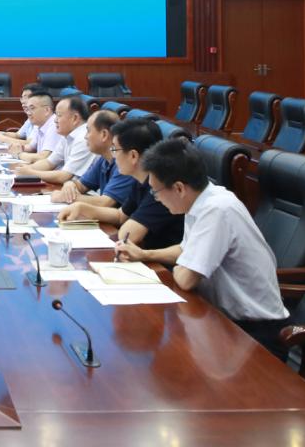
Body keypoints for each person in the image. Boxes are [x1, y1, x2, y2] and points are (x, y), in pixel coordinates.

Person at [122, 138, 289, 355]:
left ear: (179, 188)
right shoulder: (198, 201)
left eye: (155, 192)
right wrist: (145, 254)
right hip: (221, 319)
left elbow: (186, 279)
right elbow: (185, 250)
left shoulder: (217, 209)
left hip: (255, 333)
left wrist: (183, 264)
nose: (156, 198)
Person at [57, 118, 183, 249]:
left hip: (161, 259)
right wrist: (82, 208)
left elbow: (128, 235)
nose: (113, 156)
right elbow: (120, 216)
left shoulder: (161, 186)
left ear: (133, 156)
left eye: (115, 149)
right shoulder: (140, 179)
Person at [52, 109, 137, 207]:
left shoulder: (124, 161)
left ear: (104, 135)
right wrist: (69, 185)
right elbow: (81, 185)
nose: (85, 137)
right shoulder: (104, 159)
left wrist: (64, 196)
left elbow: (106, 202)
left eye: (88, 131)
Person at [11, 95, 94, 183]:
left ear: (75, 118)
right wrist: (24, 169)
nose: (55, 120)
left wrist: (31, 173)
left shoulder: (84, 138)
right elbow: (49, 162)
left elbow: (64, 176)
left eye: (59, 116)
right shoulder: (67, 135)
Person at [7, 90, 62, 164]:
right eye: (28, 109)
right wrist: (19, 148)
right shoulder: (39, 124)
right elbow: (31, 147)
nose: (28, 113)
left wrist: (19, 154)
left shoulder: (55, 124)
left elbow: (44, 157)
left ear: (47, 110)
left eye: (32, 108)